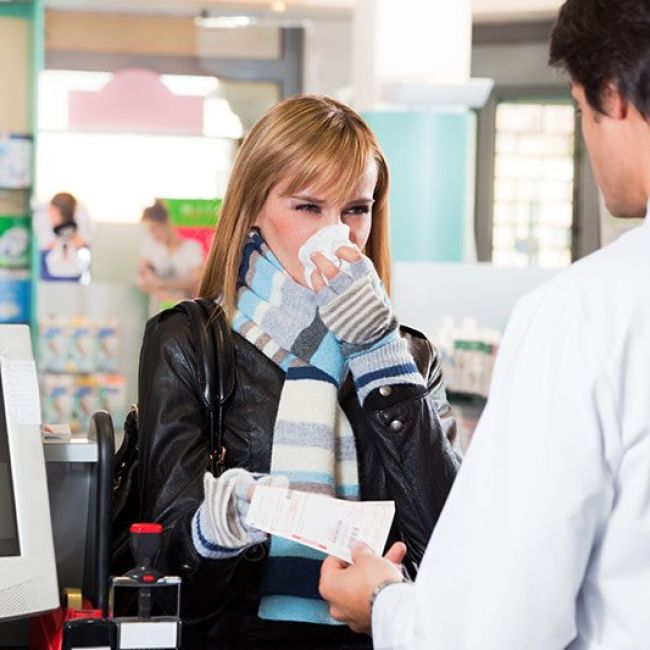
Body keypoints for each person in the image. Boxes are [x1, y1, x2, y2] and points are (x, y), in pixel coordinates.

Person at [319, 1, 650, 648]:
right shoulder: (193, 341)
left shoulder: (582, 318)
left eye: (582, 112)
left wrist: (384, 606)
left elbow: (493, 628)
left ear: (613, 96)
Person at [135, 95, 459, 649]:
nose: (337, 234)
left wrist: (377, 350)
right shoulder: (190, 343)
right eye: (308, 208)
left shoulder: (409, 357)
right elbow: (164, 572)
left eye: (356, 209)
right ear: (254, 207)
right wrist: (218, 526)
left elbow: (454, 551)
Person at [136, 199, 204, 313]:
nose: (153, 235)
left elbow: (196, 281)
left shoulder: (192, 248)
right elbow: (141, 278)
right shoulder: (151, 246)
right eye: (149, 231)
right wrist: (164, 294)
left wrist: (162, 284)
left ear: (166, 222)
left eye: (154, 228)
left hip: (183, 312)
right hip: (158, 311)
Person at [41, 192, 91, 283]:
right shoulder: (46, 238)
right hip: (49, 283)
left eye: (52, 212)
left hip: (75, 283)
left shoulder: (80, 242)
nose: (49, 214)